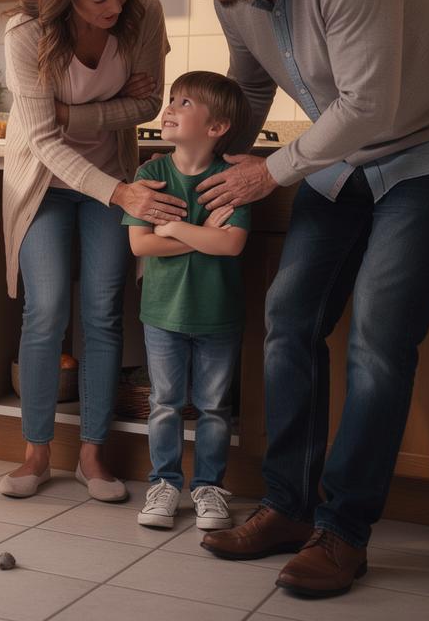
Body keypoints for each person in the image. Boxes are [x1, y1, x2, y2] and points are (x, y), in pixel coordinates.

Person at [171, 0, 429, 597]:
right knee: (289, 318)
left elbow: (370, 103)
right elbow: (250, 89)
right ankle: (288, 507)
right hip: (341, 154)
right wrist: (212, 171)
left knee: (379, 338)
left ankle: (344, 532)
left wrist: (272, 173)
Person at [0, 0, 178, 502]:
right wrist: (110, 118)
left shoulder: (143, 14)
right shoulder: (26, 33)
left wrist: (78, 117)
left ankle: (93, 457)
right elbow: (42, 142)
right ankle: (34, 454)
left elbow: (151, 102)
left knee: (102, 311)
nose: (114, 6)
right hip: (43, 182)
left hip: (112, 174)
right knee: (46, 308)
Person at [124, 71, 251, 532]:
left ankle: (210, 488)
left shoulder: (234, 179)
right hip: (162, 314)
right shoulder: (150, 173)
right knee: (165, 402)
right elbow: (141, 245)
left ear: (216, 127)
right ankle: (164, 483)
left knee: (215, 407)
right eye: (171, 100)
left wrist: (175, 229)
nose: (169, 108)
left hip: (219, 315)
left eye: (184, 103)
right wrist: (205, 235)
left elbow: (233, 245)